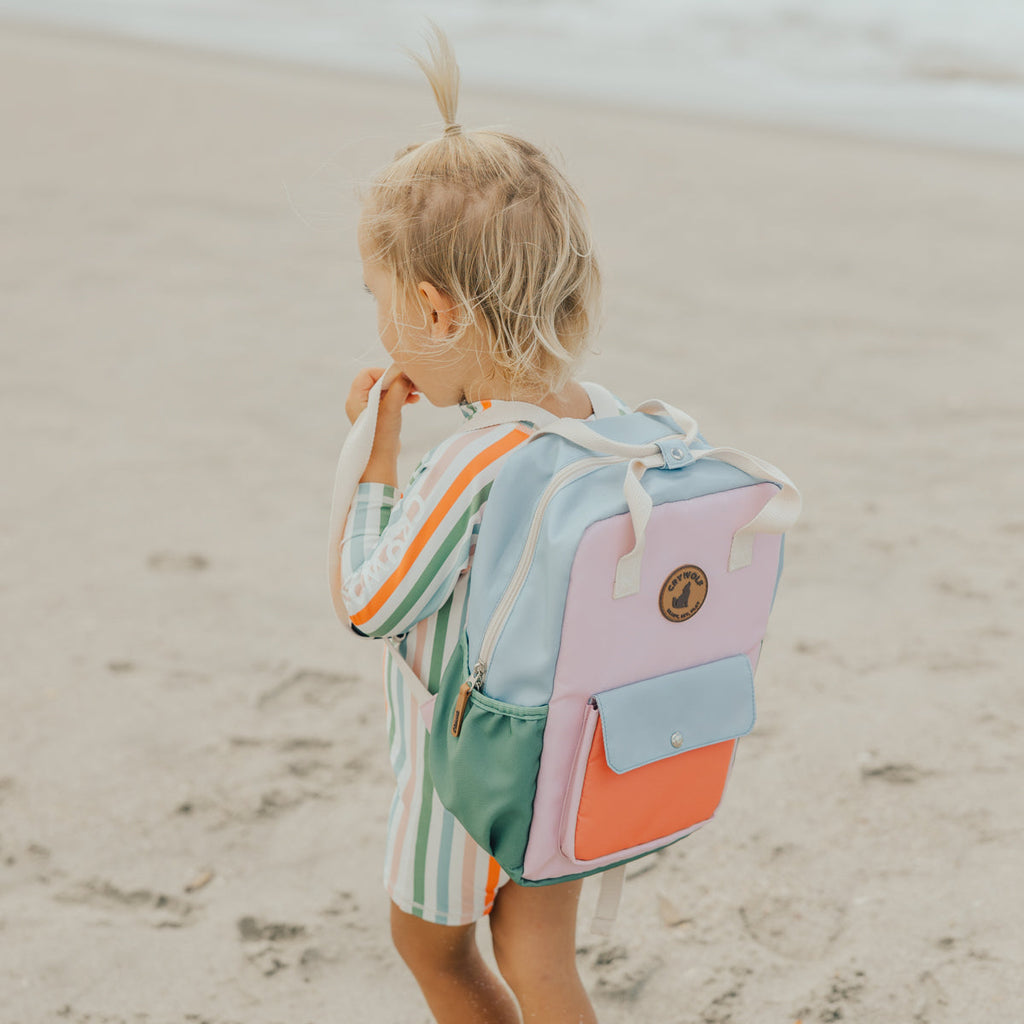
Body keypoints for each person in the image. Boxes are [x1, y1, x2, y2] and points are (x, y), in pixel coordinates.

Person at [338, 26, 606, 1024]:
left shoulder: (473, 457)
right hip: (571, 748)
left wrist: (375, 465)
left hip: (466, 759)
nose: (378, 325)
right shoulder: (604, 419)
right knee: (539, 957)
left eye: (377, 301)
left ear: (433, 310)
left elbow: (371, 603)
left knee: (431, 946)